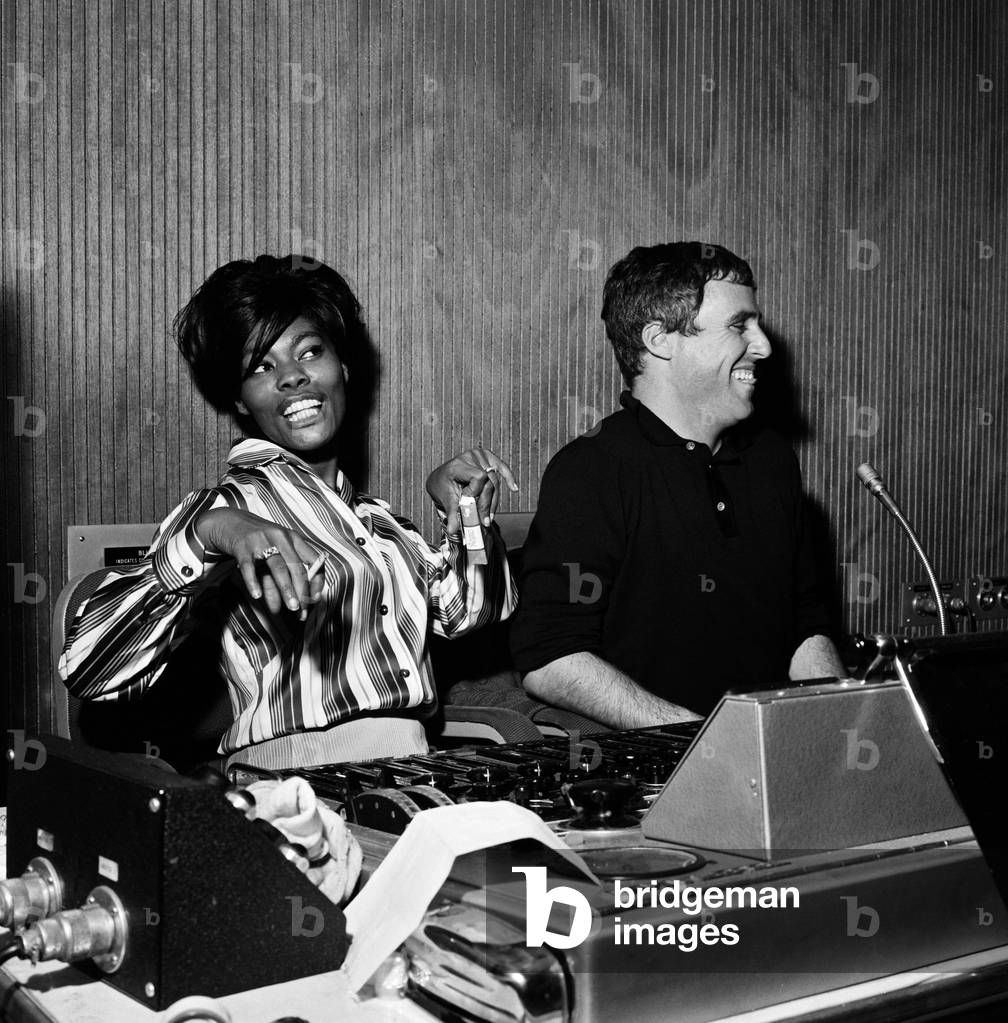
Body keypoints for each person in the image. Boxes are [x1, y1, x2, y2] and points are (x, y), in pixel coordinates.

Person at [59, 254, 517, 769]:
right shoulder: (230, 508)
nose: (292, 378)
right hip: (294, 782)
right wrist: (211, 533)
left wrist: (465, 509)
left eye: (310, 351)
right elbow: (89, 669)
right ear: (239, 400)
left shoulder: (377, 521)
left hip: (411, 763)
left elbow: (470, 613)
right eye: (262, 366)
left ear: (342, 366)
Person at [509, 242, 845, 728]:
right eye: (738, 325)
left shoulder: (771, 459)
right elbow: (550, 660)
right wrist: (702, 744)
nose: (764, 345)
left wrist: (833, 724)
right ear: (660, 339)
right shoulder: (591, 470)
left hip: (772, 755)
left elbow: (806, 628)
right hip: (657, 769)